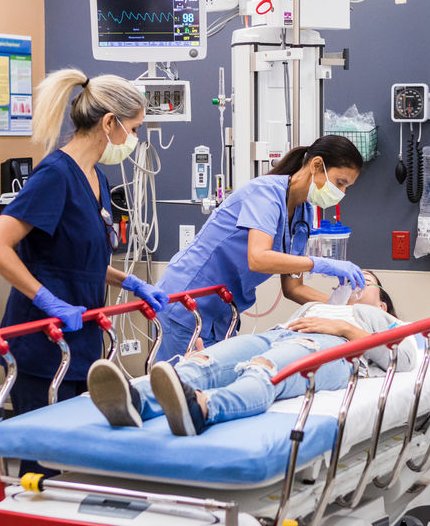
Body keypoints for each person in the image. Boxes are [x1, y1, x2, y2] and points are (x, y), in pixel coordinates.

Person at [0, 67, 169, 526]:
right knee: (43, 472)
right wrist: (45, 300)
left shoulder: (92, 181)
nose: (134, 141)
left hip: (80, 342)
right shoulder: (55, 175)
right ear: (109, 123)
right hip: (44, 347)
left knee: (70, 471)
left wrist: (125, 280)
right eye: (133, 129)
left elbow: (75, 254)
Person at [88, 271, 416, 435]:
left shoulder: (383, 319)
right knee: (207, 362)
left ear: (382, 301)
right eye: (350, 278)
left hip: (336, 350)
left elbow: (406, 358)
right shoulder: (318, 306)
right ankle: (135, 400)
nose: (355, 282)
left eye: (366, 280)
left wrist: (345, 330)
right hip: (281, 334)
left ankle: (203, 409)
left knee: (262, 369)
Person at [153, 134, 369, 363]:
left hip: (223, 312)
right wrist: (321, 263)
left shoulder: (303, 213)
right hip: (187, 303)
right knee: (179, 390)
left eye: (346, 187)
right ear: (317, 165)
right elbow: (258, 258)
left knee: (209, 390)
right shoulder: (265, 193)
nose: (341, 193)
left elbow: (293, 288)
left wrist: (342, 313)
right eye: (340, 183)